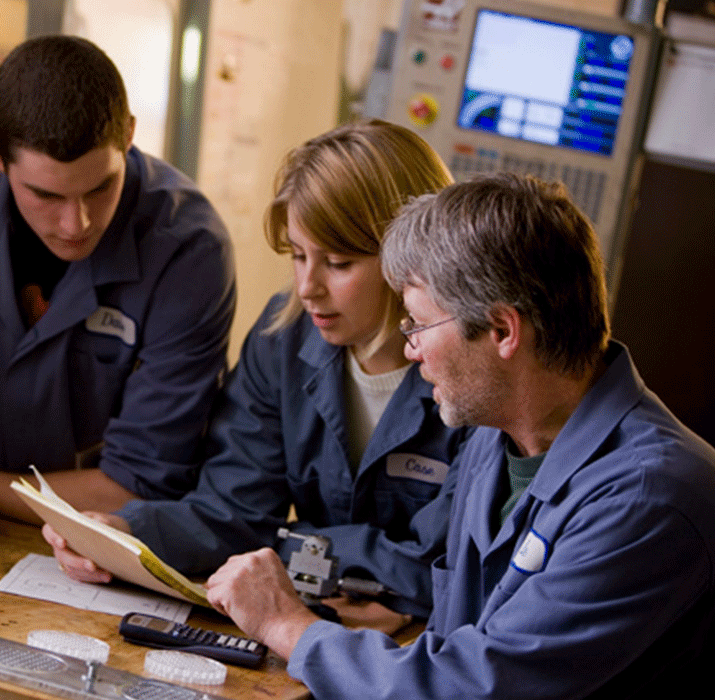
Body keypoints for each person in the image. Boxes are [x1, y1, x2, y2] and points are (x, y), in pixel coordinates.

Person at [203, 172, 715, 699]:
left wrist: (287, 626)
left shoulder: (649, 497)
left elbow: (471, 687)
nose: (410, 350)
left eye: (419, 325)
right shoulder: (495, 442)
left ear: (502, 331)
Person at [46, 120, 472, 620]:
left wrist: (299, 548)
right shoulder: (282, 338)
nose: (307, 287)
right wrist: (125, 532)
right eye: (297, 255)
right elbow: (234, 512)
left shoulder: (472, 370)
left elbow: (448, 569)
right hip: (321, 627)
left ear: (413, 261)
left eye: (337, 262)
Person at [0, 35, 235, 539]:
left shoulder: (189, 250)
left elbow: (136, 484)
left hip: (108, 536)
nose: (75, 223)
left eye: (101, 187)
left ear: (128, 135)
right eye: (44, 194)